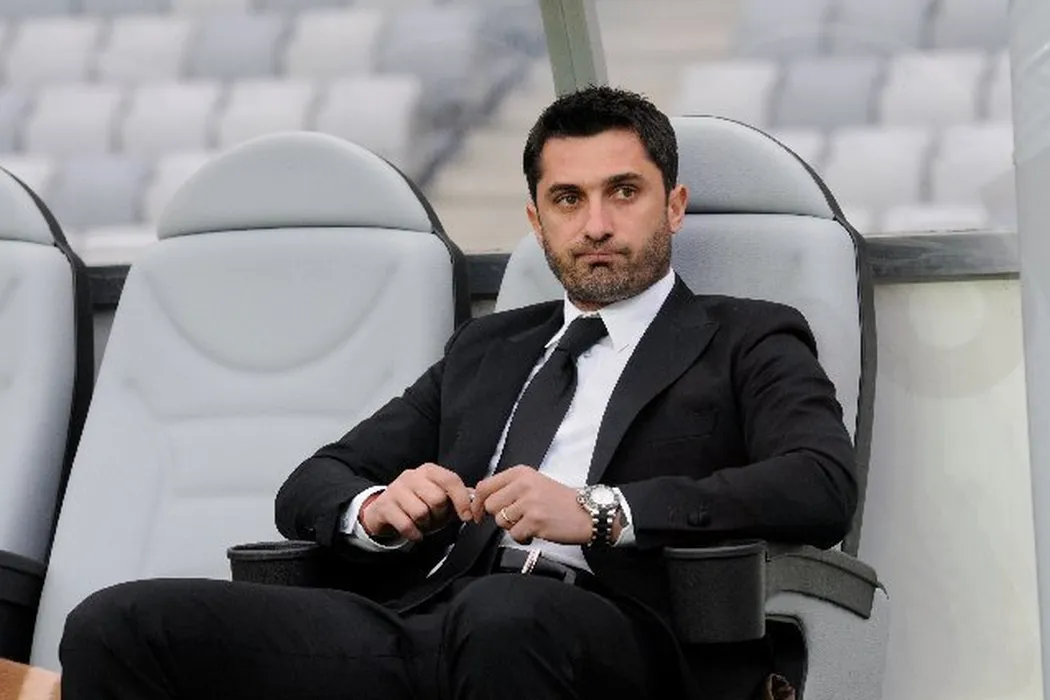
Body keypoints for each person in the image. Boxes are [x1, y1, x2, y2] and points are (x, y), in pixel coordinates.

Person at [58, 86, 857, 700]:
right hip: (431, 617)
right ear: (537, 222)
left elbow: (820, 484)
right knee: (119, 623)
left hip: (625, 639)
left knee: (503, 616)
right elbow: (311, 484)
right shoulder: (489, 348)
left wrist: (601, 511)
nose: (596, 224)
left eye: (624, 192)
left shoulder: (747, 335)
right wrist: (377, 509)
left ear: (673, 207)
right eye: (568, 200)